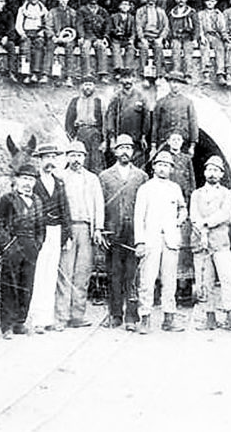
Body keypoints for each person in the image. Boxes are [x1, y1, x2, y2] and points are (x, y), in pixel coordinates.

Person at [97, 135, 148, 330]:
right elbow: (100, 205)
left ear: (133, 151)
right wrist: (101, 229)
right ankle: (115, 314)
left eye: (128, 147)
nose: (125, 151)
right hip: (113, 232)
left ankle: (131, 317)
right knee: (114, 274)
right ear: (115, 151)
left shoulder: (142, 176)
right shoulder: (105, 176)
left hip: (135, 233)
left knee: (133, 275)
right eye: (121, 148)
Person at [134, 150, 188, 333]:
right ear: (154, 167)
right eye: (160, 165)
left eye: (167, 165)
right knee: (147, 280)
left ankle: (169, 318)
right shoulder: (146, 188)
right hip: (151, 239)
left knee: (170, 280)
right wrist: (139, 241)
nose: (163, 168)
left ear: (171, 169)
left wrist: (180, 220)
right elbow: (138, 217)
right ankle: (145, 318)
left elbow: (183, 208)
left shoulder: (175, 188)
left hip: (170, 240)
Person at [55, 140, 104, 329]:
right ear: (67, 157)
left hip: (86, 229)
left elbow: (98, 204)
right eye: (73, 155)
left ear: (85, 157)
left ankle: (77, 315)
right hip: (67, 228)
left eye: (80, 155)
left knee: (82, 274)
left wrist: (98, 228)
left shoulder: (92, 179)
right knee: (64, 273)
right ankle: (61, 317)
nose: (76, 159)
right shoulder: (60, 177)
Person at [0, 164, 44, 339]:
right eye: (24, 179)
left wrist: (37, 245)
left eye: (31, 179)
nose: (27, 183)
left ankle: (20, 322)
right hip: (13, 246)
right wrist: (7, 246)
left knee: (27, 285)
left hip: (30, 248)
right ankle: (6, 325)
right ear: (16, 180)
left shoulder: (37, 201)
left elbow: (40, 228)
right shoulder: (7, 199)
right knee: (9, 286)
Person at [190, 155, 231, 330]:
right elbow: (194, 216)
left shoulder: (226, 194)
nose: (212, 173)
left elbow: (224, 214)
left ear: (221, 174)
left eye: (216, 170)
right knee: (205, 280)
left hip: (220, 242)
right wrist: (201, 229)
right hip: (201, 244)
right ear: (204, 172)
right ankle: (209, 316)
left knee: (227, 278)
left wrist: (206, 224)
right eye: (209, 169)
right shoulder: (196, 194)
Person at [25, 142, 71, 332]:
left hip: (56, 231)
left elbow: (65, 209)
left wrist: (67, 235)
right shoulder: (33, 182)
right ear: (40, 160)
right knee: (38, 273)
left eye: (53, 158)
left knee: (51, 274)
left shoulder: (59, 182)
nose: (50, 162)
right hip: (39, 232)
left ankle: (46, 318)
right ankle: (33, 319)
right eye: (47, 158)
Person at [105, 67, 151, 166]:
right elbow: (110, 118)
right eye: (125, 78)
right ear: (120, 80)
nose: (127, 81)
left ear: (134, 79)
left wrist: (143, 136)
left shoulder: (141, 97)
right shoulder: (116, 97)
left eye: (130, 78)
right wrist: (112, 139)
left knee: (137, 166)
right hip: (120, 139)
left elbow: (146, 118)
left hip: (136, 140)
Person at [151, 71, 198, 157]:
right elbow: (155, 124)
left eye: (178, 83)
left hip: (183, 143)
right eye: (173, 82)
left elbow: (193, 123)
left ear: (181, 85)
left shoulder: (188, 102)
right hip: (164, 142)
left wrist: (192, 145)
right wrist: (153, 145)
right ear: (169, 83)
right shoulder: (161, 102)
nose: (175, 85)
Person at [65, 77, 105, 173]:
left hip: (95, 135)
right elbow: (69, 120)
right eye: (86, 84)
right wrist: (72, 137)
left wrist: (104, 140)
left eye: (90, 85)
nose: (88, 87)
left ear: (94, 87)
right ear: (81, 86)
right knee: (80, 158)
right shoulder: (75, 101)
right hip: (80, 133)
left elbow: (104, 122)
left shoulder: (98, 101)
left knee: (96, 161)